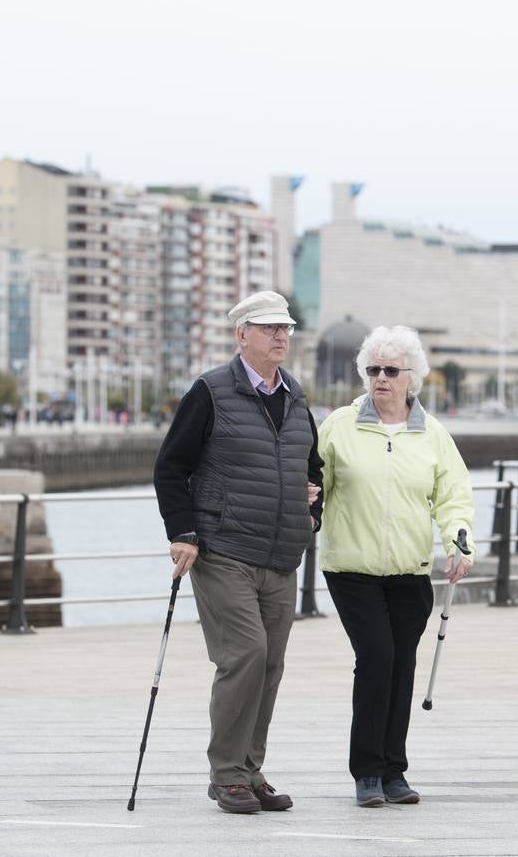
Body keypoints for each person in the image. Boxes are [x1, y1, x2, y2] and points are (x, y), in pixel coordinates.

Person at [152, 290, 324, 815]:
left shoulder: (295, 397)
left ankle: (250, 770)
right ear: (241, 334)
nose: (280, 336)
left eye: (286, 328)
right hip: (223, 549)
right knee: (245, 654)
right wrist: (182, 531)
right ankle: (226, 774)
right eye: (269, 328)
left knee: (270, 664)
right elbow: (170, 467)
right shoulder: (211, 391)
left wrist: (312, 512)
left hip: (280, 555)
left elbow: (312, 468)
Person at [316, 324, 475, 807]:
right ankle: (367, 771)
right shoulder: (340, 425)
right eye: (373, 370)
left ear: (412, 378)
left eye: (390, 370)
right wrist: (308, 502)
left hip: (409, 571)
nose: (380, 378)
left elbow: (452, 496)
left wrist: (458, 541)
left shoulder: (433, 436)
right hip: (351, 568)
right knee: (377, 659)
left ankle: (393, 771)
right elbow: (313, 483)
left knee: (401, 666)